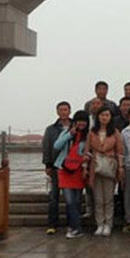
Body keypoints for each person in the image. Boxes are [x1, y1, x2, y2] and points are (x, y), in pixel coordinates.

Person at [84, 106, 124, 236]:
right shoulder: (92, 132)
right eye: (102, 115)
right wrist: (85, 167)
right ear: (98, 117)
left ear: (110, 117)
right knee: (98, 199)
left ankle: (108, 224)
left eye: (107, 115)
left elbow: (120, 151)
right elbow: (87, 151)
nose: (104, 117)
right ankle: (99, 224)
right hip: (95, 167)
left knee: (108, 198)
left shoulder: (115, 132)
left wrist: (121, 167)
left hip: (110, 166)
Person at [53, 110, 90, 239]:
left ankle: (73, 226)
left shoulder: (88, 136)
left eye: (84, 121)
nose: (81, 123)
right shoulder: (67, 132)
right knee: (69, 201)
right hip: (65, 170)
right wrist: (69, 135)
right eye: (79, 120)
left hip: (78, 171)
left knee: (77, 201)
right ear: (75, 121)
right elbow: (57, 146)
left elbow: (89, 152)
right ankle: (76, 228)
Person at [42, 101, 72, 235]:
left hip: (71, 167)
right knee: (54, 196)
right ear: (57, 112)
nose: (63, 112)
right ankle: (52, 224)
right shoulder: (51, 129)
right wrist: (47, 165)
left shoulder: (75, 126)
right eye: (61, 110)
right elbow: (46, 147)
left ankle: (71, 224)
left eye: (66, 110)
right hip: (55, 166)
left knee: (70, 197)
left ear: (69, 111)